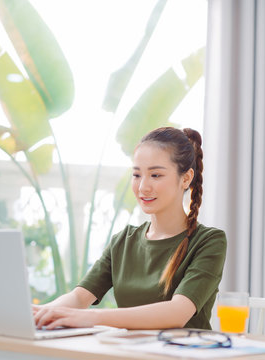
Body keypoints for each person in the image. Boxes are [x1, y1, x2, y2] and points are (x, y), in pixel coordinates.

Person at [33, 126, 227, 330]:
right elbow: (80, 297)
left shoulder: (209, 241)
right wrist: (38, 314)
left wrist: (91, 318)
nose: (143, 187)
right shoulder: (124, 240)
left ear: (186, 178)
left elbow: (177, 312)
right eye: (136, 175)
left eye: (156, 175)